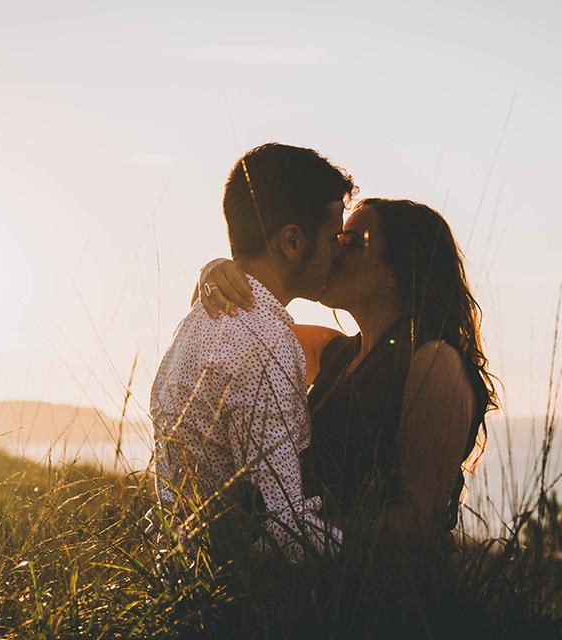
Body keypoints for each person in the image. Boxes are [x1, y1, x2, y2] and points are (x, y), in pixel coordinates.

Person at [197, 198, 497, 549]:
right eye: (336, 240)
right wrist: (215, 271)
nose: (333, 254)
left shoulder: (435, 362)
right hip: (306, 580)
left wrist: (286, 544)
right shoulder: (337, 353)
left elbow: (418, 520)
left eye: (352, 244)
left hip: (377, 596)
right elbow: (235, 330)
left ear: (395, 273)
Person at [144, 142, 355, 562]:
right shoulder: (264, 345)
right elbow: (280, 525)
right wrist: (377, 564)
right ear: (292, 242)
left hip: (185, 574)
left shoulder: (199, 321)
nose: (338, 251)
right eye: (334, 237)